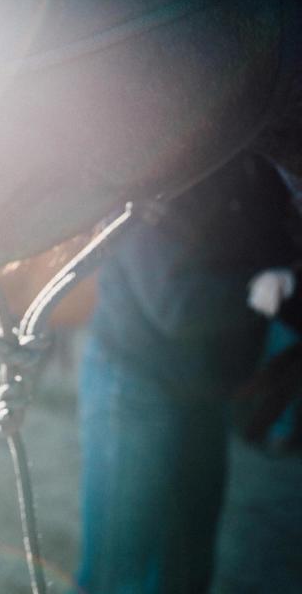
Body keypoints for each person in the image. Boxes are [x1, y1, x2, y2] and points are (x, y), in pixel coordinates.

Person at [76, 152, 302, 593]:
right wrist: (264, 291)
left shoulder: (261, 170)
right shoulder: (159, 168)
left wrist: (284, 283)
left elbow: (280, 256)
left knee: (189, 560)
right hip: (136, 382)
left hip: (207, 388)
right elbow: (175, 305)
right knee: (118, 567)